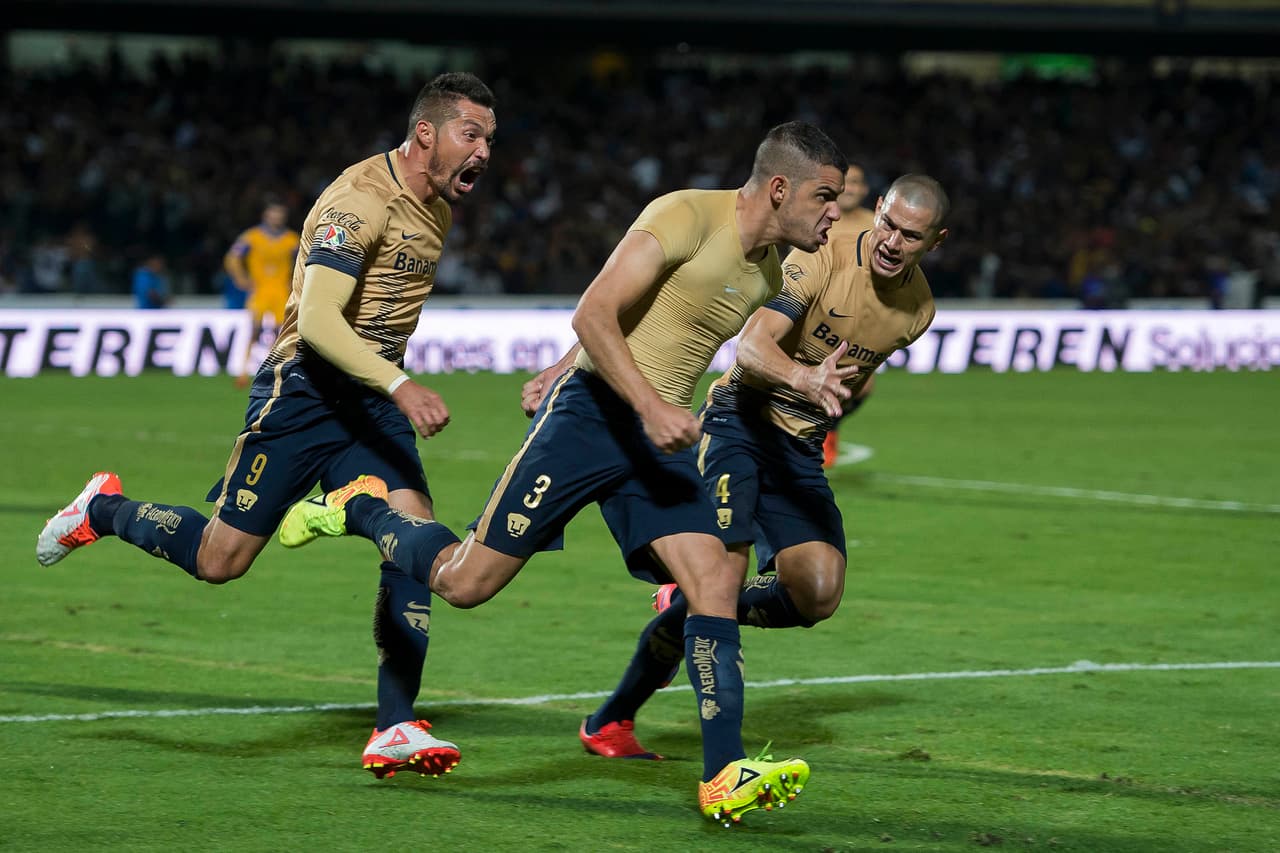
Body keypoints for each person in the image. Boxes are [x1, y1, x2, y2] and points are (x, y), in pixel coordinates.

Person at [277, 121, 848, 825]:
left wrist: (594, 383)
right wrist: (623, 395)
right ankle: (360, 508)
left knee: (714, 584)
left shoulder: (769, 269)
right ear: (781, 187)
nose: (835, 213)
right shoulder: (686, 215)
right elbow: (595, 310)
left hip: (654, 441)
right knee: (465, 581)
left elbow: (646, 325)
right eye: (826, 196)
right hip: (594, 422)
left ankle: (722, 774)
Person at [37, 71, 497, 780]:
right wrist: (402, 383)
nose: (485, 151)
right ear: (426, 134)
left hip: (370, 400)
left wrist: (387, 386)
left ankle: (394, 722)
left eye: (490, 138)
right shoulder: (359, 200)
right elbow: (315, 321)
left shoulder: (436, 203)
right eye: (472, 134)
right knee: (220, 560)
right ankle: (100, 507)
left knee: (413, 530)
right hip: (305, 392)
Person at [587, 174, 948, 762]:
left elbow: (860, 363)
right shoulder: (820, 255)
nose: (892, 241)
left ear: (935, 241)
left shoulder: (918, 312)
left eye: (911, 236)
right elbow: (753, 346)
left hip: (800, 450)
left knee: (817, 593)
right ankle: (632, 729)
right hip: (740, 427)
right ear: (877, 209)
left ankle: (692, 605)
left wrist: (833, 400)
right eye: (888, 224)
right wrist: (806, 378)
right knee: (718, 583)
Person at [820, 161, 876, 467]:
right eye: (847, 182)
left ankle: (829, 426)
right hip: (821, 315)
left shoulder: (876, 225)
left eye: (857, 183)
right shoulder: (820, 218)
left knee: (862, 386)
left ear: (865, 190)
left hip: (863, 317)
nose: (851, 188)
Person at [224, 199, 301, 388]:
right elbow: (232, 258)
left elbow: (304, 259)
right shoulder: (252, 237)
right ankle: (243, 372)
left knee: (278, 334)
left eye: (280, 214)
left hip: (281, 292)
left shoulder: (292, 239)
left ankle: (272, 371)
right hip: (260, 291)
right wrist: (241, 278)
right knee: (254, 331)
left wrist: (297, 282)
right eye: (273, 214)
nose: (277, 218)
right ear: (265, 216)